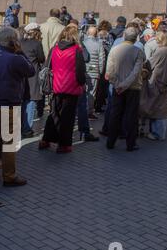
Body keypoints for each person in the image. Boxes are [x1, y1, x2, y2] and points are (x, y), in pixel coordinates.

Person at [0, 27, 35, 186]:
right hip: (9, 104)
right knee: (9, 141)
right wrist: (20, 51)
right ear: (13, 41)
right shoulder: (15, 58)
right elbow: (30, 70)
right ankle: (9, 176)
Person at [39, 25, 87, 153]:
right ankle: (64, 144)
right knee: (68, 117)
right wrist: (82, 83)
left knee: (54, 113)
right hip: (72, 87)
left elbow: (47, 65)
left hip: (56, 86)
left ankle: (46, 139)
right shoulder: (77, 50)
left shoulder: (54, 48)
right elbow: (80, 70)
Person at [105, 27, 145, 151]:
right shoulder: (138, 51)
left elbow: (109, 71)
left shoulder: (114, 50)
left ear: (124, 36)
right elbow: (135, 72)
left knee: (116, 114)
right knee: (131, 115)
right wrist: (123, 85)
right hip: (132, 87)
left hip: (118, 87)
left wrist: (118, 84)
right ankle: (130, 143)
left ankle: (110, 141)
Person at [140, 31, 167, 141]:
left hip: (157, 82)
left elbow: (149, 64)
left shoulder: (161, 51)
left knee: (156, 109)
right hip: (164, 82)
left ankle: (157, 133)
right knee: (161, 109)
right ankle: (158, 132)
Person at [77, 26, 104, 141]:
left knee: (84, 92)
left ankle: (82, 111)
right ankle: (89, 111)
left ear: (88, 33)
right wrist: (100, 71)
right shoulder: (99, 44)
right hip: (93, 71)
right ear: (96, 33)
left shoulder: (82, 42)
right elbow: (102, 58)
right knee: (92, 93)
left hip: (84, 70)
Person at [20, 23, 45, 137]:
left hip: (21, 75)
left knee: (23, 102)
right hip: (32, 76)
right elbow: (41, 58)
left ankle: (21, 126)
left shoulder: (20, 43)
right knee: (31, 101)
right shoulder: (37, 44)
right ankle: (27, 128)